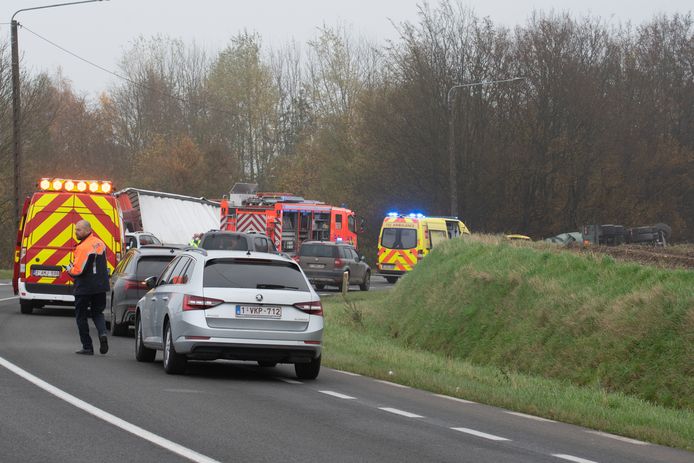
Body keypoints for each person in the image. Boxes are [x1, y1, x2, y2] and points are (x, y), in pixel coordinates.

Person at [65, 219, 109, 355]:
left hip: (85, 286)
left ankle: (87, 347)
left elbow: (79, 270)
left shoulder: (84, 247)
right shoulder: (100, 243)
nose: (76, 232)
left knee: (81, 316)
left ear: (88, 230)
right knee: (97, 313)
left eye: (79, 230)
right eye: (76, 229)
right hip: (100, 285)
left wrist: (69, 270)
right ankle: (102, 334)